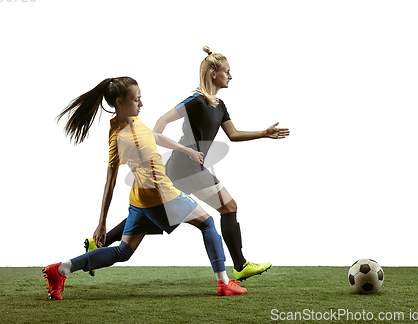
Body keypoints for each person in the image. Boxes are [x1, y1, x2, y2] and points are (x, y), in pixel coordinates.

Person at [92, 46, 290, 281]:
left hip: (189, 168)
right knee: (228, 207)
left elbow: (233, 135)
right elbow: (162, 120)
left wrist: (264, 133)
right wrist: (150, 151)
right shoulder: (196, 100)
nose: (231, 76)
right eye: (227, 71)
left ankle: (95, 243)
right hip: (185, 167)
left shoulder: (220, 105)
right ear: (213, 73)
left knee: (151, 216)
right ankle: (240, 265)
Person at [43, 77, 247, 300]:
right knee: (207, 223)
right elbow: (109, 183)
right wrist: (101, 222)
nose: (141, 103)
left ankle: (61, 269)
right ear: (120, 102)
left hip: (140, 200)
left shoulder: (132, 120)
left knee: (122, 252)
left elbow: (154, 135)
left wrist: (185, 150)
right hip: (161, 195)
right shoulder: (118, 137)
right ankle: (224, 283)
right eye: (136, 99)